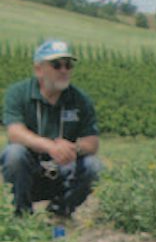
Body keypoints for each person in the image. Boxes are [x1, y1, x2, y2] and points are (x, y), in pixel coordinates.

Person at [2, 39, 102, 217]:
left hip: (64, 168)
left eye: (68, 65)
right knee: (14, 154)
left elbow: (92, 142)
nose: (64, 70)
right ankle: (22, 216)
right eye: (56, 65)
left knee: (93, 166)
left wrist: (73, 148)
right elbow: (15, 132)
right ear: (39, 69)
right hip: (30, 169)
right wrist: (51, 146)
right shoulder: (18, 93)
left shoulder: (80, 99)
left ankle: (60, 211)